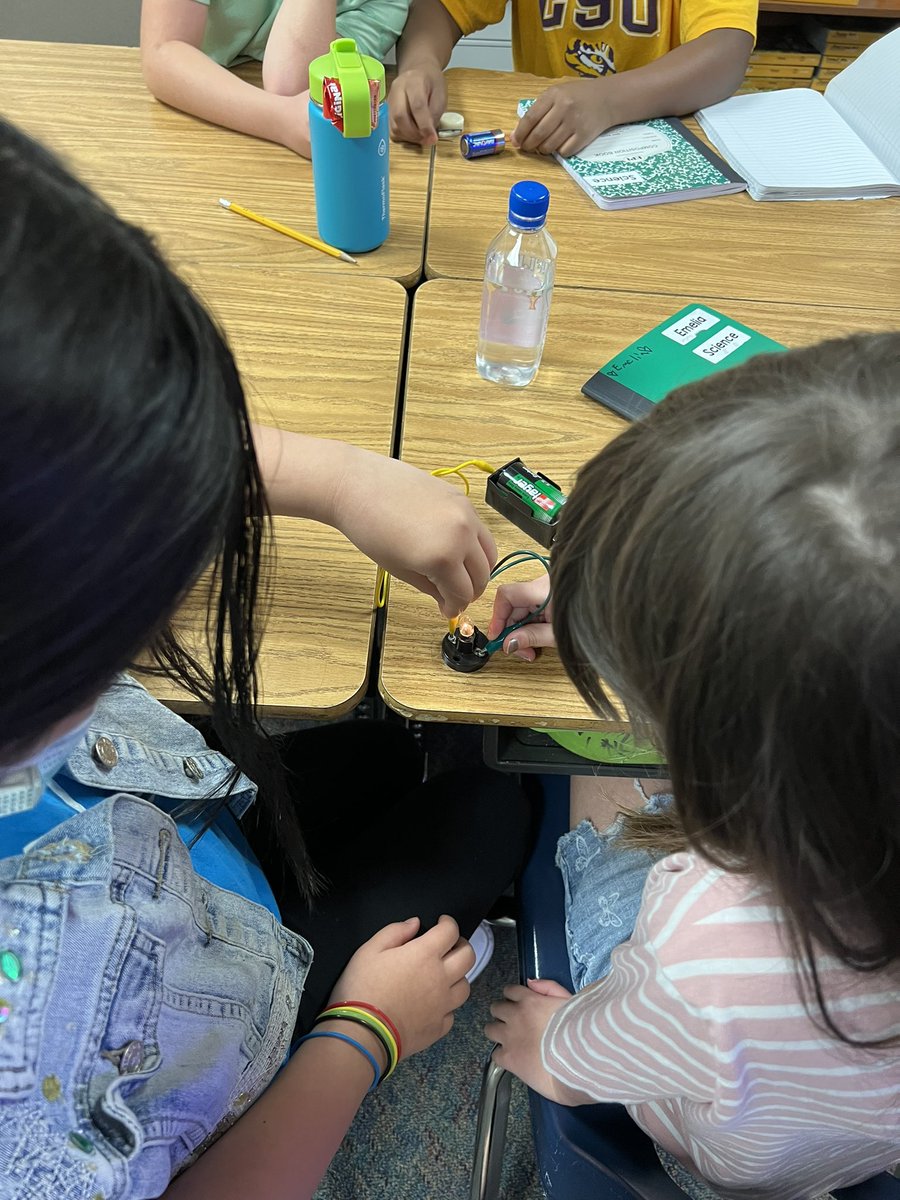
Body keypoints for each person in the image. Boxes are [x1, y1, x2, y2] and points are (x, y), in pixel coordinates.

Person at [0, 118, 532, 1200]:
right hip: (235, 1044)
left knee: (410, 754)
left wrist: (338, 480)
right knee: (494, 813)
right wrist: (359, 1037)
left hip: (179, 852)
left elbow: (59, 432)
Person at [484, 334, 900, 1199]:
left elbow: (586, 1061)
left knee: (602, 790)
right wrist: (638, 611)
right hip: (857, 1127)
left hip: (728, 1142)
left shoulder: (708, 936)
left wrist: (551, 1046)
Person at [389, 0, 756, 155]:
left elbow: (726, 49)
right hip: (546, 137)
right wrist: (420, 64)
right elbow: (441, 8)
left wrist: (607, 100)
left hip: (662, 130)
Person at [140, 0, 410, 157]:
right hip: (181, 128)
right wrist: (280, 120)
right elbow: (164, 50)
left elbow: (293, 85)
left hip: (260, 154)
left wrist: (284, 117)